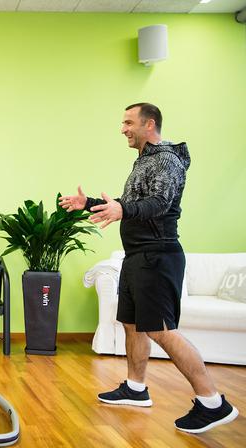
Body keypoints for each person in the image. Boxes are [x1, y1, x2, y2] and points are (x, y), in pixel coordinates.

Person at [59, 103, 238, 433]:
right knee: (131, 324)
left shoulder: (167, 160)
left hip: (158, 255)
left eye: (128, 122)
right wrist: (92, 205)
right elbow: (130, 206)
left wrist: (121, 209)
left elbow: (159, 203)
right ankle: (136, 388)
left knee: (160, 329)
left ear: (149, 124)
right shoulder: (144, 160)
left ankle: (213, 402)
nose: (123, 128)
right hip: (136, 255)